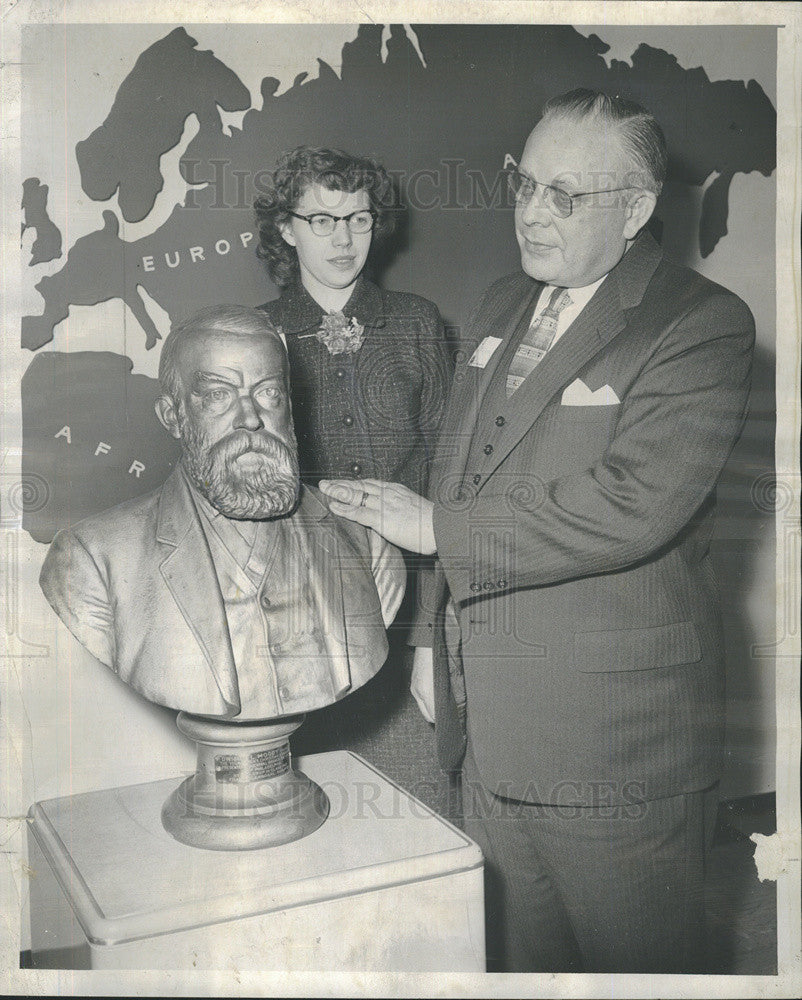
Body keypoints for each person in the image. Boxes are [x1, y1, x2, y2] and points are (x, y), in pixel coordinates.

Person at [319, 89, 755, 973]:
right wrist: (440, 647)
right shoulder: (500, 303)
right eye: (524, 182)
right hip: (488, 738)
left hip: (615, 751)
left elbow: (635, 503)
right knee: (522, 969)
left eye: (567, 195)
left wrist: (437, 529)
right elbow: (461, 466)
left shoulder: (700, 323)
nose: (531, 213)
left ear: (636, 209)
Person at [40, 305, 406, 720]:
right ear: (173, 416)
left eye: (269, 393)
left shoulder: (366, 543)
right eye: (217, 396)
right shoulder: (90, 562)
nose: (250, 419)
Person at [253, 147, 455, 815]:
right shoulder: (256, 336)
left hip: (419, 616)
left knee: (427, 812)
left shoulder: (418, 323)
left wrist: (431, 641)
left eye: (359, 220)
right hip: (305, 622)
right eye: (322, 220)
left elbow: (448, 488)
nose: (344, 240)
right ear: (286, 229)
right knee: (327, 816)